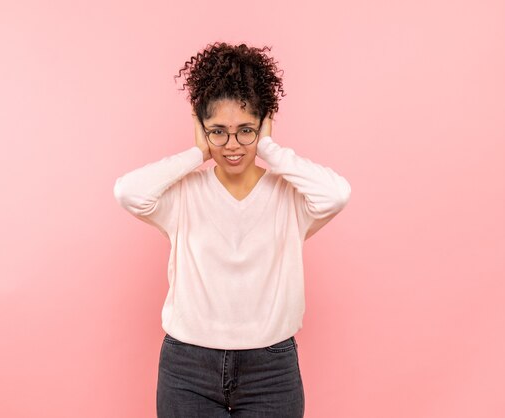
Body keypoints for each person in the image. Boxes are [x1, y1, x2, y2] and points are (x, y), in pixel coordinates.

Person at [113, 42, 351, 418]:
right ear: (201, 127)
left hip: (271, 369)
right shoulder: (183, 196)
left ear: (265, 123)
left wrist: (269, 149)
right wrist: (198, 153)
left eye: (246, 131)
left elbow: (336, 195)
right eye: (218, 132)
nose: (233, 145)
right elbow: (128, 192)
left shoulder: (289, 197)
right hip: (187, 367)